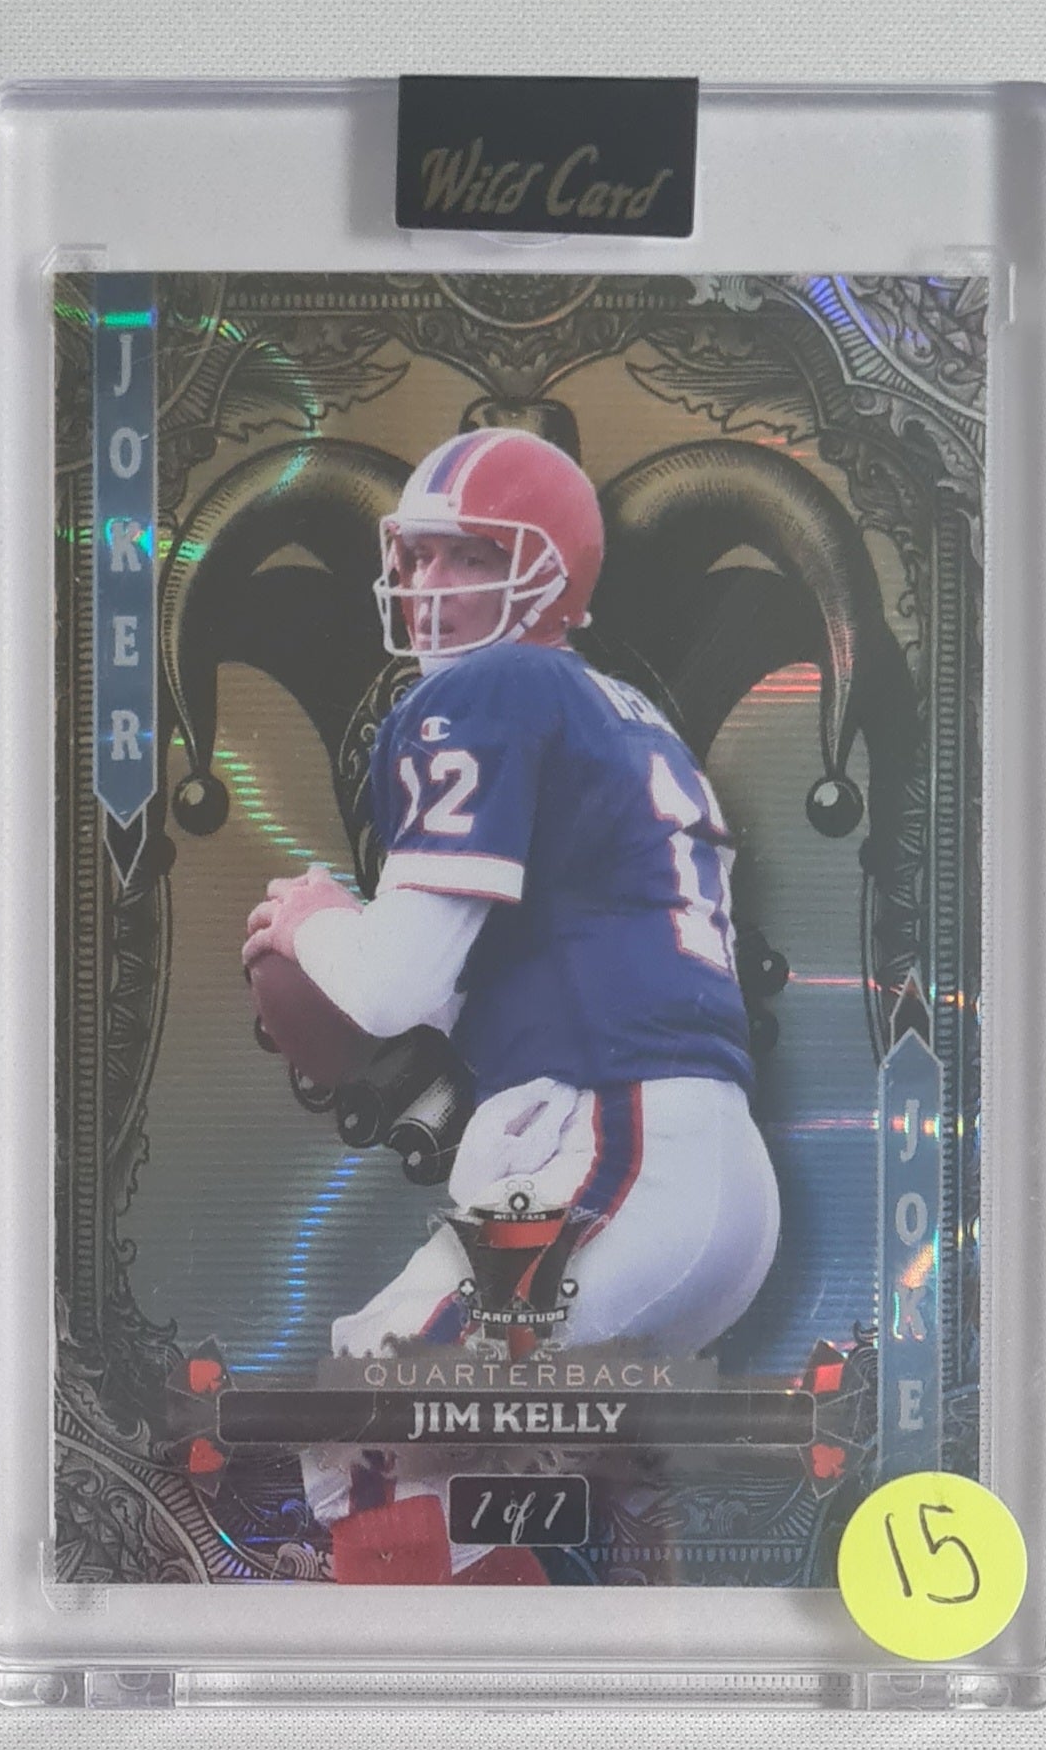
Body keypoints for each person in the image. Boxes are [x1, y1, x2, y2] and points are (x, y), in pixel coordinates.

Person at [243, 426, 780, 1583]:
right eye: (420, 555)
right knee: (473, 1479)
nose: (431, 581)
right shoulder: (626, 713)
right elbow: (512, 970)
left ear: (551, 573)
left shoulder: (495, 686)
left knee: (375, 1411)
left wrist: (310, 922)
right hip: (690, 1164)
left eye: (472, 555)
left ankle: (385, 1679)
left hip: (616, 1153)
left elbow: (394, 982)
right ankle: (554, 1653)